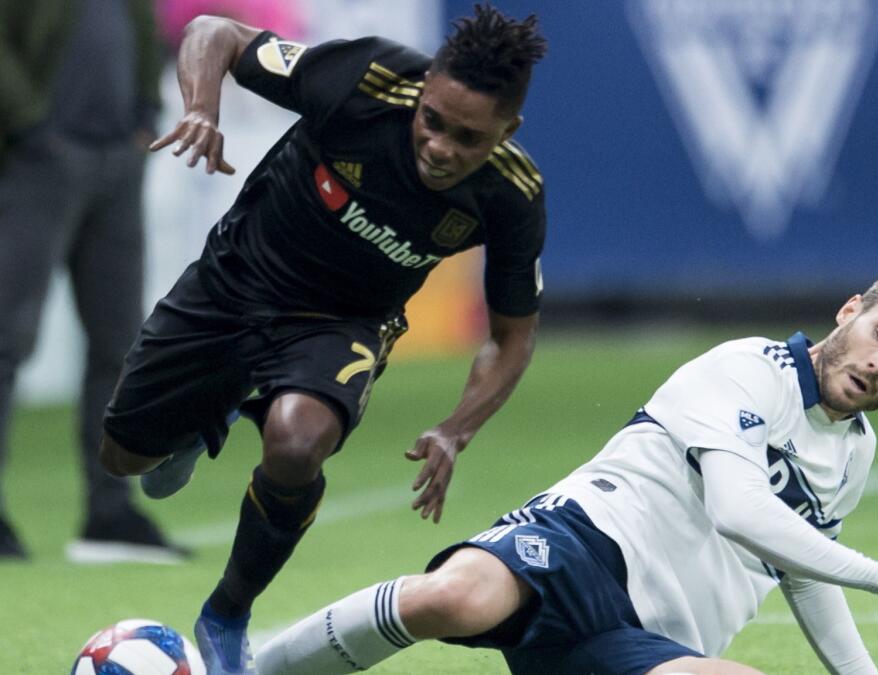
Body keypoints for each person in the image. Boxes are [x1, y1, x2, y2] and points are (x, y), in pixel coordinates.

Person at [96, 6, 548, 674]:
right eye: (433, 120)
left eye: (468, 137)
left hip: (343, 323)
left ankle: (226, 612)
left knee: (297, 441)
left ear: (506, 131)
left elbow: (512, 335)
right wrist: (202, 109)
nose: (440, 147)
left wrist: (456, 428)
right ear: (422, 93)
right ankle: (203, 418)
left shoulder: (512, 195)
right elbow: (212, 33)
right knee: (122, 459)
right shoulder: (365, 79)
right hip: (235, 280)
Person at [254, 269, 878, 675]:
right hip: (585, 547)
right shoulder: (748, 368)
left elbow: (800, 565)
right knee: (456, 597)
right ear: (850, 311)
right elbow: (740, 509)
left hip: (652, 638)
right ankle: (250, 670)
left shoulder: (855, 450)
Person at [0, 0, 189, 563]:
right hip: (36, 162)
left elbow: (145, 37)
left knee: (120, 342)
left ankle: (109, 509)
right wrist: (31, 124)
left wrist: (146, 115)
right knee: (6, 339)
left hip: (115, 162)